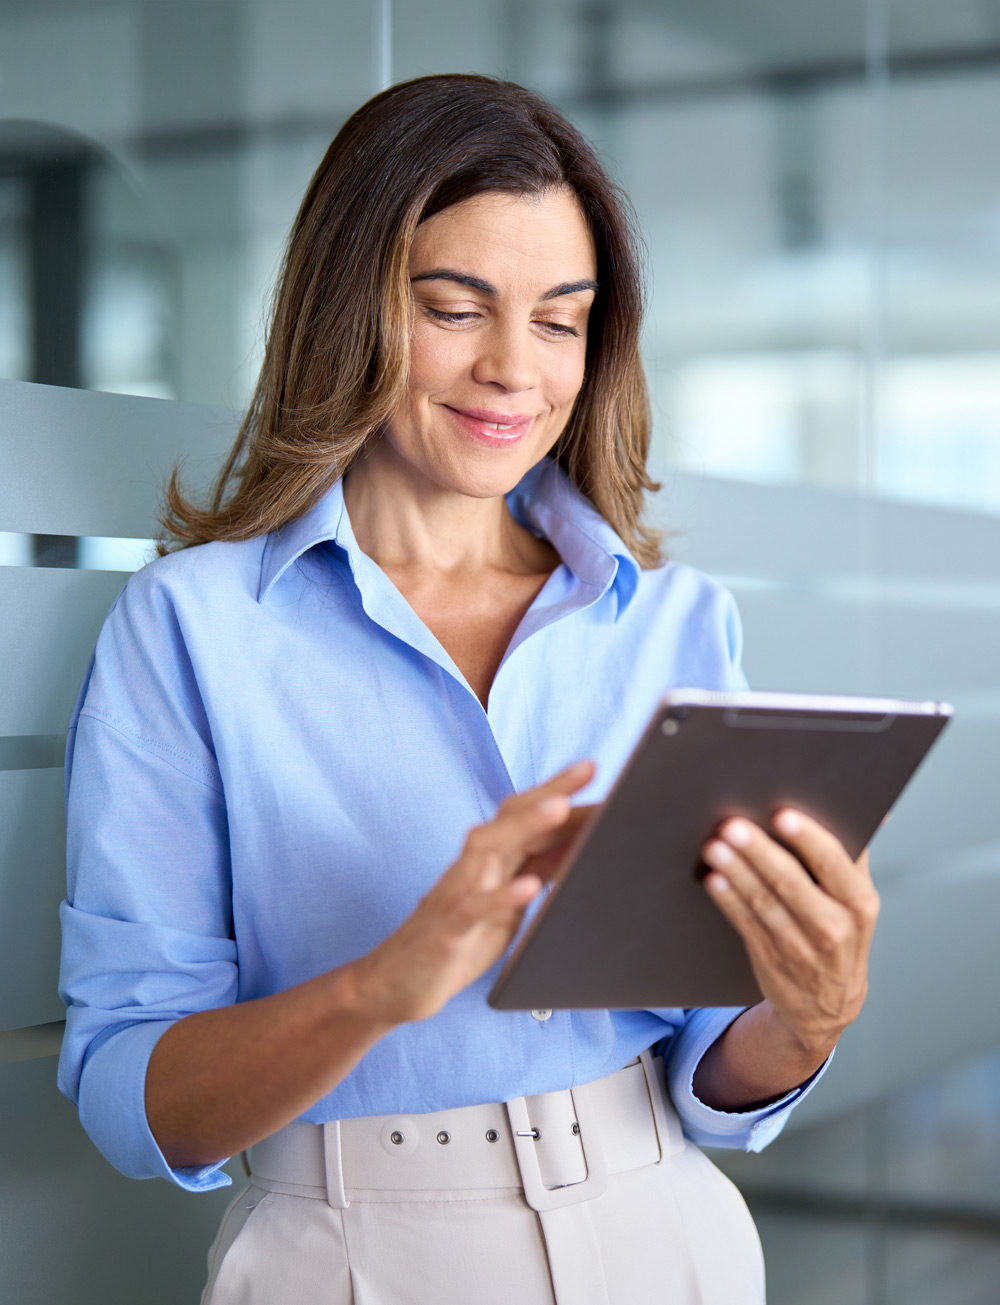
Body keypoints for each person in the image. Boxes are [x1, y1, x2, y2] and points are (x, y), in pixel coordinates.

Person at [57, 74, 879, 1304]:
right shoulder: (192, 629)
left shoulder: (673, 622)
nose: (513, 368)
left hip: (667, 1232)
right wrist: (376, 990)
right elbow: (134, 1098)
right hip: (344, 1252)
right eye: (455, 308)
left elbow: (714, 1064)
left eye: (561, 320)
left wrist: (808, 1019)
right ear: (352, 310)